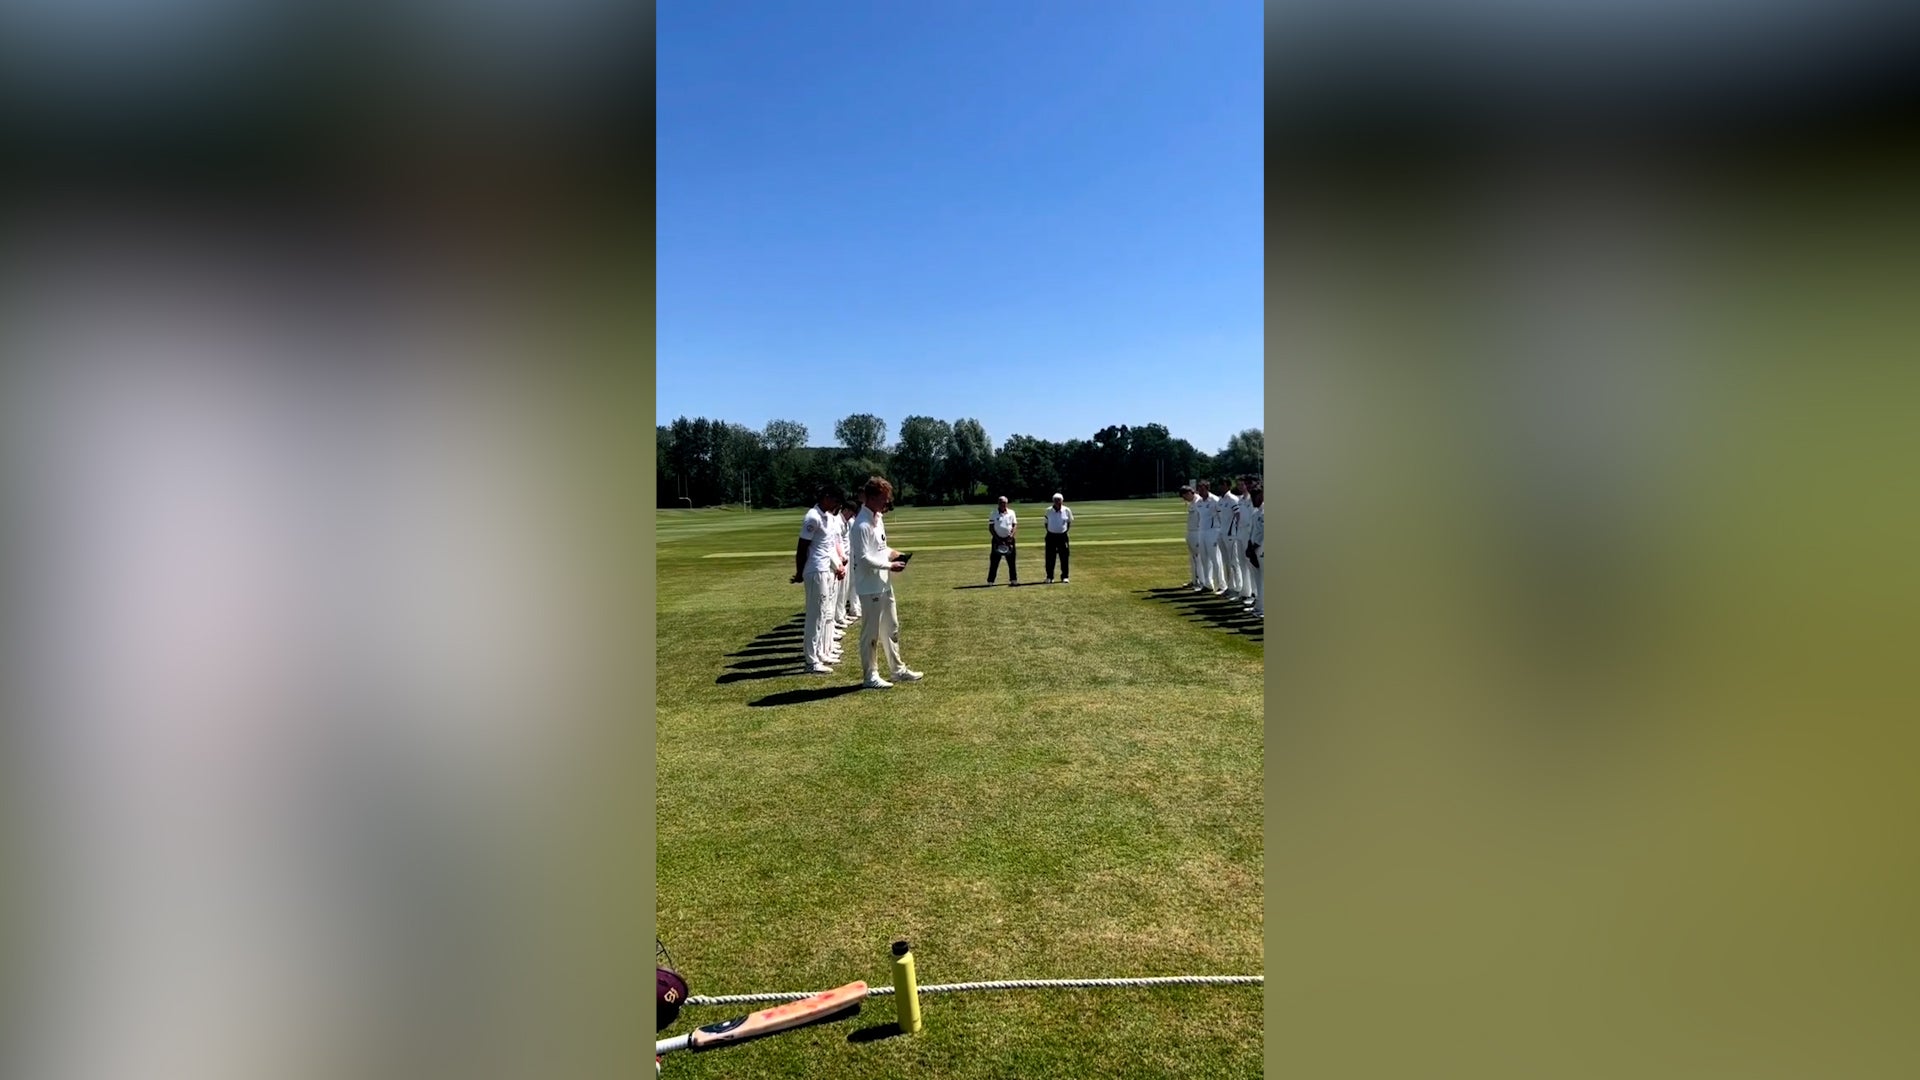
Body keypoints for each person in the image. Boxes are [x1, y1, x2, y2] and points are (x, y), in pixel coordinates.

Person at [849, 476, 922, 688]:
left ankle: (897, 670)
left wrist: (895, 554)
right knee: (871, 632)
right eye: (883, 498)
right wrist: (890, 566)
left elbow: (881, 549)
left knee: (891, 626)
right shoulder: (861, 525)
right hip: (869, 585)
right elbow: (863, 558)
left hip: (883, 582)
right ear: (871, 497)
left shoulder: (877, 519)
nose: (886, 502)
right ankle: (870, 676)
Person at [791, 487, 844, 674]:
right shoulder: (812, 517)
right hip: (815, 570)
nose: (838, 504)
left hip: (826, 569)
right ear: (826, 497)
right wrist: (799, 573)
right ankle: (811, 661)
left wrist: (838, 566)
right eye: (835, 499)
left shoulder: (828, 517)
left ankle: (820, 653)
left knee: (824, 613)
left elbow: (829, 547)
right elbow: (802, 547)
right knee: (815, 616)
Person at [1218, 478, 1244, 599]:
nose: (1221, 487)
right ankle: (1230, 587)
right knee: (1227, 562)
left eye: (1223, 485)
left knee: (1234, 562)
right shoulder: (1221, 500)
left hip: (1231, 534)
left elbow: (1238, 515)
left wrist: (1235, 530)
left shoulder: (1233, 499)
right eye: (1220, 485)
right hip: (1222, 533)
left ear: (1228, 486)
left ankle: (1238, 589)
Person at [1195, 479, 1223, 592]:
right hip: (1202, 531)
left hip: (1213, 531)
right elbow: (1199, 518)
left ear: (1207, 488)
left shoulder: (1215, 500)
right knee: (1204, 559)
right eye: (1199, 489)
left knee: (1215, 559)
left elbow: (1221, 517)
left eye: (1202, 489)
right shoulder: (1199, 502)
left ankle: (1222, 584)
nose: (1200, 491)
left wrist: (1220, 532)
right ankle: (1208, 584)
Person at [840, 502, 863, 622]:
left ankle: (852, 609)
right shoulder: (849, 522)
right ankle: (852, 609)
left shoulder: (851, 521)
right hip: (847, 557)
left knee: (852, 584)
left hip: (850, 556)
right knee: (849, 585)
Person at [987, 495, 1019, 584]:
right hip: (997, 540)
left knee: (1011, 561)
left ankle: (1013, 580)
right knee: (994, 561)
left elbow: (1014, 525)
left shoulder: (1012, 512)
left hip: (1009, 540)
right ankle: (991, 581)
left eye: (1004, 503)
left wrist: (1011, 536)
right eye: (1001, 503)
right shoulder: (993, 513)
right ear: (998, 503)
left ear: (1007, 503)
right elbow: (991, 527)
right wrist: (998, 539)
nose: (1002, 504)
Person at [1043, 492, 1073, 583]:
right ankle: (1050, 577)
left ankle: (1065, 576)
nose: (1057, 502)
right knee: (1049, 557)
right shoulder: (1048, 510)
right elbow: (1046, 523)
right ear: (1053, 501)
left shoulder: (1067, 510)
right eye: (1055, 500)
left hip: (1062, 536)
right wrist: (1051, 531)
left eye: (1059, 500)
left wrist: (1064, 532)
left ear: (1062, 501)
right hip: (1051, 536)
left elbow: (1069, 522)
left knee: (1064, 557)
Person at [1245, 483, 1265, 617]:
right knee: (1257, 579)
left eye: (1255, 496)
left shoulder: (1264, 511)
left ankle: (1263, 608)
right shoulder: (1256, 512)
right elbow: (1252, 531)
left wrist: (1255, 546)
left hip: (1262, 548)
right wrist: (1249, 546)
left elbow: (1264, 532)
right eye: (1252, 497)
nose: (1253, 500)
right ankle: (1259, 605)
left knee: (1263, 578)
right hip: (1254, 548)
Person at [1181, 484, 1203, 588]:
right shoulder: (1191, 503)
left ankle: (1200, 581)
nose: (1184, 499)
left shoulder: (1199, 501)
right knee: (1192, 558)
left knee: (1198, 558)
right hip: (1190, 531)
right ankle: (1194, 580)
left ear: (1190, 493)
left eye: (1185, 496)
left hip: (1197, 532)